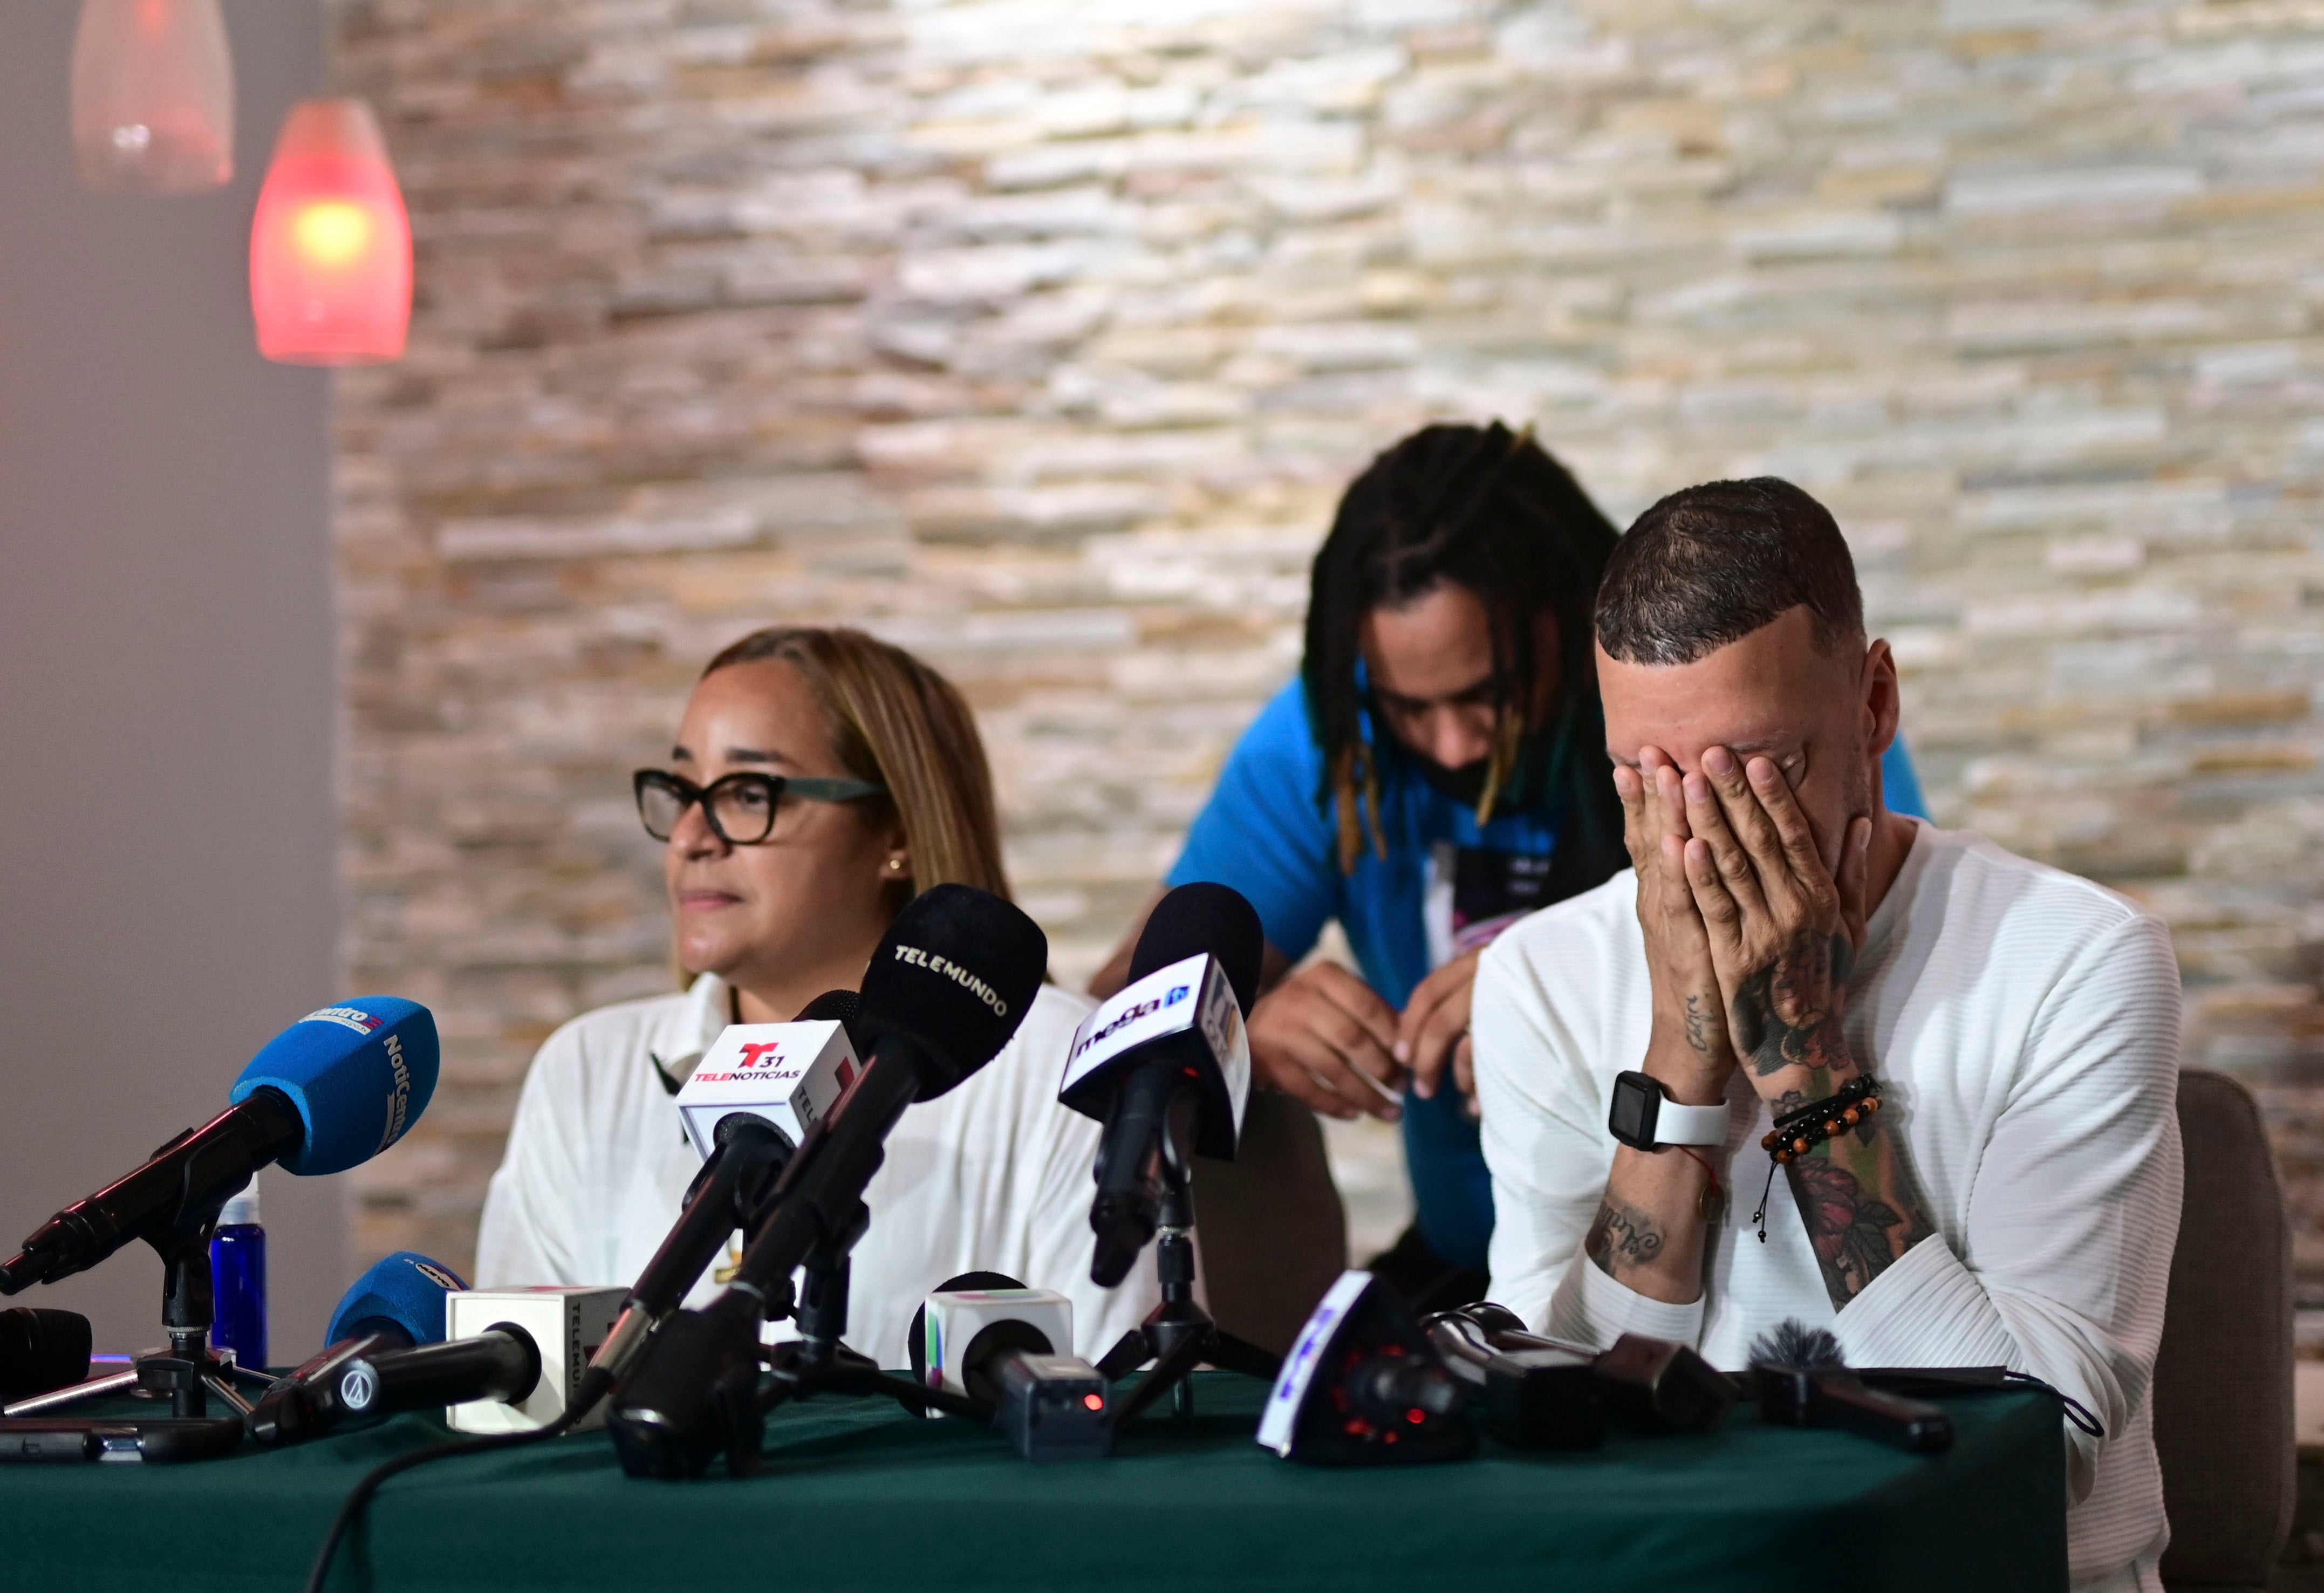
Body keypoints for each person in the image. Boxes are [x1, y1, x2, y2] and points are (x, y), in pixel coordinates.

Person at [1471, 478, 2179, 1590]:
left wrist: (1806, 1059)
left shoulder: (2076, 961)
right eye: (1646, 783)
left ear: (1876, 702)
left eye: (1761, 770)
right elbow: (1552, 1416)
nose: (1705, 840)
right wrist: (1680, 1056)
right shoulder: (1539, 979)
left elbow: (2044, 1447)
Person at [1096, 423, 1927, 1303]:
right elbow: (1110, 1004)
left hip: (1759, 1268)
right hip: (1478, 1265)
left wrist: (1548, 977)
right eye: (1408, 708)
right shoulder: (1327, 745)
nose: (1452, 743)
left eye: (1489, 691)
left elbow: (1873, 958)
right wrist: (1236, 1028)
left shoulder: (1750, 725)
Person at [475, 626, 1157, 1369]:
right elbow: (516, 1407)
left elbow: (1119, 1400)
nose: (691, 839)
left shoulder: (1063, 1062)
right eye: (681, 792)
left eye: (746, 792)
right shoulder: (585, 1070)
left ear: (894, 830)